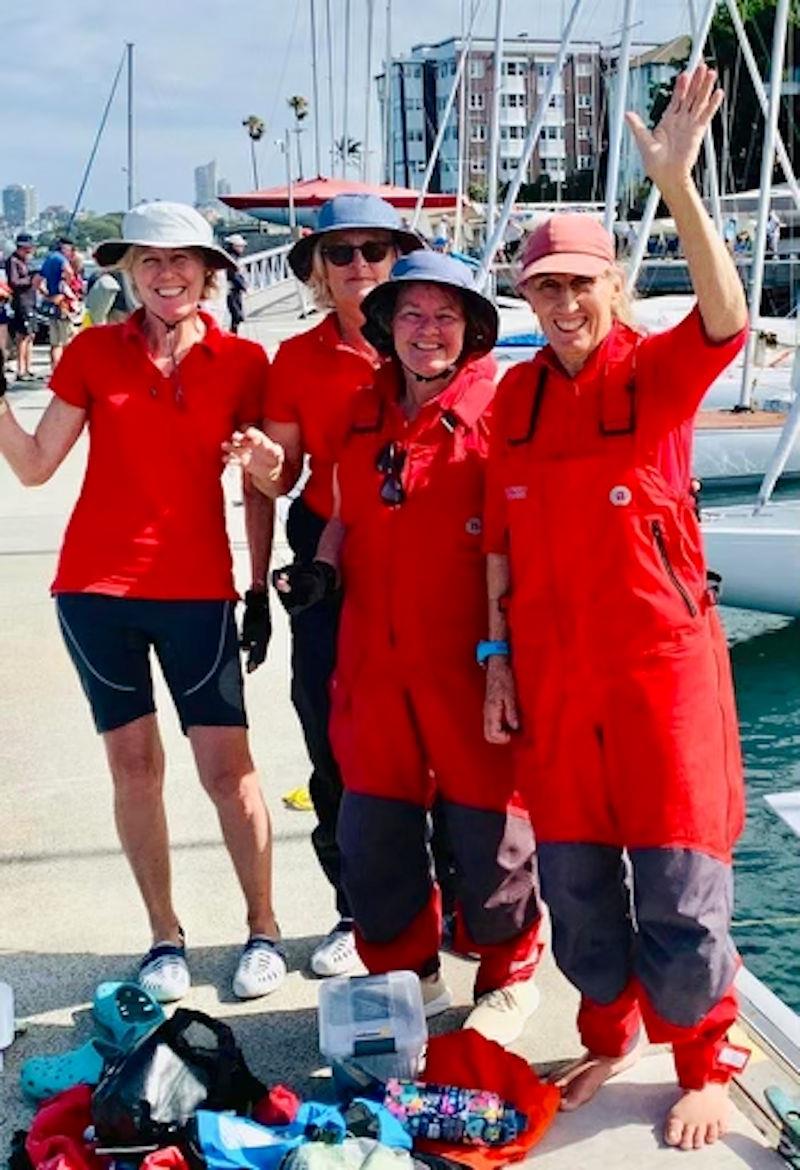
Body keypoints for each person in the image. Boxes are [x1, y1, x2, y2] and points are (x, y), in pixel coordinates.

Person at [482, 66, 749, 1150]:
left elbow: (725, 318)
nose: (561, 304)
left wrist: (677, 184)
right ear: (527, 296)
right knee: (580, 887)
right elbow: (497, 538)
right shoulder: (514, 395)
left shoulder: (653, 373)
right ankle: (611, 1029)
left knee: (680, 885)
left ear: (611, 288)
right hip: (552, 673)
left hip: (659, 674)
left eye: (578, 285)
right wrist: (495, 653)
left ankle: (705, 1058)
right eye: (543, 287)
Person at [0, 201, 283, 1005]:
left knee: (230, 773)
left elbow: (269, 484)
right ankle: (165, 935)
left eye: (181, 261)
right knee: (134, 769)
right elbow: (34, 465)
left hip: (197, 592)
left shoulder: (243, 360)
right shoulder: (93, 352)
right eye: (148, 262)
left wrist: (258, 568)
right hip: (95, 593)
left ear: (209, 272)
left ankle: (262, 927)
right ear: (128, 273)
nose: (166, 275)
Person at [269, 251, 544, 1044]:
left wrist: (507, 656)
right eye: (412, 315)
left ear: (473, 330)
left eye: (446, 316)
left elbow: (520, 536)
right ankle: (406, 972)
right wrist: (318, 571)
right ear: (387, 326)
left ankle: (507, 971)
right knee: (373, 829)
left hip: (469, 658)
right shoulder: (362, 407)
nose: (428, 331)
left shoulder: (501, 409)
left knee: (491, 829)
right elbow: (349, 507)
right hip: (370, 661)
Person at [240, 193, 425, 978]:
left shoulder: (430, 336)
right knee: (331, 727)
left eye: (374, 251)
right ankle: (357, 907)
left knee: (437, 725)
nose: (359, 267)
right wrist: (259, 471)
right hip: (325, 553)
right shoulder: (296, 361)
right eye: (340, 254)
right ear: (315, 270)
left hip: (423, 544)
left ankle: (449, 897)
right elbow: (279, 477)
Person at [36, 236, 80, 369]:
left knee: (55, 343)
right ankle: (67, 370)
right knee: (67, 340)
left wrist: (47, 295)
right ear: (65, 248)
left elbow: (37, 281)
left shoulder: (49, 259)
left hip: (51, 304)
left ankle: (55, 370)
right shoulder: (61, 259)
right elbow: (69, 272)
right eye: (70, 249)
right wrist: (65, 288)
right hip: (63, 304)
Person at [6, 232, 38, 381]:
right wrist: (30, 279)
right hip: (22, 302)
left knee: (31, 335)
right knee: (23, 336)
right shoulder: (13, 261)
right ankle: (21, 369)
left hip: (31, 301)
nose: (29, 252)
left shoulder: (26, 262)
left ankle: (28, 367)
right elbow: (14, 282)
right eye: (26, 249)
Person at [224, 233, 249, 334]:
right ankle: (233, 335)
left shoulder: (231, 257)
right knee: (236, 315)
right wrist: (243, 286)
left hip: (233, 289)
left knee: (236, 315)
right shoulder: (231, 258)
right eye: (241, 246)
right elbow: (232, 275)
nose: (242, 249)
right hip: (231, 290)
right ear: (234, 246)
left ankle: (233, 334)